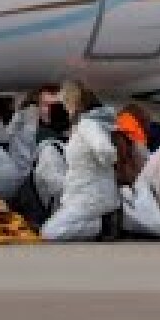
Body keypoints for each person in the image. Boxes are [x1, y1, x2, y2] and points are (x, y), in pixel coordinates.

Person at [40, 81, 124, 241]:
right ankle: (103, 223)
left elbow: (105, 150)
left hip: (90, 196)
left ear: (72, 103)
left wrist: (101, 166)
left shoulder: (87, 125)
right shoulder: (87, 125)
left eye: (64, 103)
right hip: (87, 194)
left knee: (50, 232)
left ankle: (103, 224)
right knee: (53, 228)